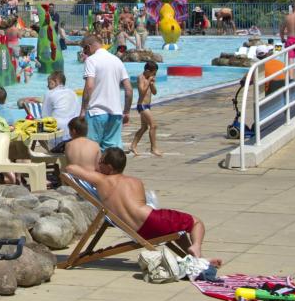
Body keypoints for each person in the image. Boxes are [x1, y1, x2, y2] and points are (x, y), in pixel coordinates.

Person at [66, 148, 219, 265]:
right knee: (196, 222)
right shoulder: (135, 181)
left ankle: (196, 257)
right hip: (151, 220)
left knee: (181, 229)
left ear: (110, 167)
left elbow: (71, 168)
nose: (98, 165)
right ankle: (197, 249)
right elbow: (143, 203)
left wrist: (94, 171)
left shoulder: (101, 181)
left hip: (138, 229)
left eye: (101, 163)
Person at [80, 34, 132, 151]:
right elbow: (128, 90)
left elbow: (89, 86)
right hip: (116, 113)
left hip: (96, 113)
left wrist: (83, 110)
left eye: (84, 49)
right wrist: (126, 111)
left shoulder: (91, 61)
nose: (84, 53)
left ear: (89, 47)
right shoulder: (117, 60)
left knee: (91, 151)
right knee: (112, 155)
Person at [37, 71, 81, 148]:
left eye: (49, 83)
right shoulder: (72, 93)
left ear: (56, 82)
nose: (47, 86)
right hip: (74, 131)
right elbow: (78, 112)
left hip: (57, 132)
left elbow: (45, 116)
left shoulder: (50, 93)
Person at [129, 61, 162, 156]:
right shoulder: (141, 78)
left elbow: (154, 92)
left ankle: (133, 146)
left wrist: (151, 84)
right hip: (142, 105)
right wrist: (148, 82)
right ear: (147, 71)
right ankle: (153, 148)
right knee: (153, 125)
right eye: (153, 73)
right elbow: (142, 91)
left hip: (148, 106)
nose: (154, 75)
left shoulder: (148, 78)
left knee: (144, 128)